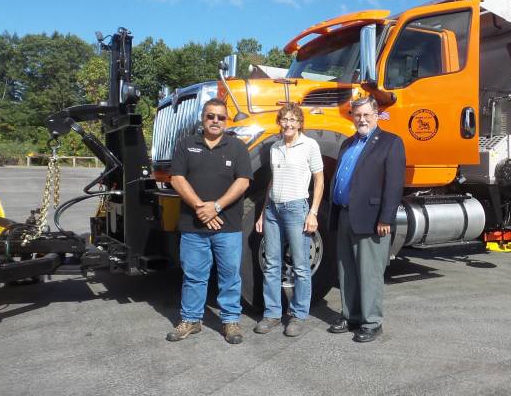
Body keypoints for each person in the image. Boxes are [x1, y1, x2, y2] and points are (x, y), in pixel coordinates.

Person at [166, 98, 253, 344]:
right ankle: (191, 320)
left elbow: (243, 181)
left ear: (227, 121)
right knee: (194, 275)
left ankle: (230, 321)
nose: (215, 121)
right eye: (210, 116)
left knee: (229, 275)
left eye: (220, 117)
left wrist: (215, 207)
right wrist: (199, 208)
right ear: (202, 119)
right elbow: (177, 179)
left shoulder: (237, 147)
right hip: (193, 225)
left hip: (228, 226)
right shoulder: (185, 144)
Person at [327, 95, 405, 343]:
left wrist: (386, 219)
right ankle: (351, 316)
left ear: (376, 114)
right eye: (357, 115)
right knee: (346, 271)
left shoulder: (390, 143)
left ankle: (371, 322)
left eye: (366, 115)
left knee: (369, 272)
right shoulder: (348, 144)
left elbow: (394, 185)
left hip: (372, 219)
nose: (361, 119)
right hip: (345, 214)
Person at [254, 103, 324, 337]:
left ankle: (298, 315)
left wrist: (313, 212)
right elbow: (272, 182)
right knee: (272, 264)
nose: (289, 123)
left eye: (293, 119)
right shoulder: (275, 147)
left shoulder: (310, 145)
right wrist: (264, 212)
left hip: (297, 209)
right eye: (285, 119)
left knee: (301, 266)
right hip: (274, 209)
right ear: (280, 122)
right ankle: (272, 314)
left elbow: (319, 181)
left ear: (300, 123)